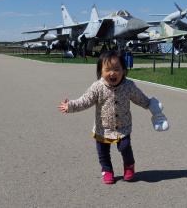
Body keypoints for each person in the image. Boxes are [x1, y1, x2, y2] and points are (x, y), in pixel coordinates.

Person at [58, 50, 168, 184]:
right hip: (102, 128)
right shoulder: (97, 87)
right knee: (103, 151)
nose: (112, 73)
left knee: (125, 147)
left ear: (123, 70)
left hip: (123, 126)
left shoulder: (128, 86)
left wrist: (151, 105)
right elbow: (85, 101)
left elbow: (140, 98)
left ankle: (129, 166)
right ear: (101, 71)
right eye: (108, 69)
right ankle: (107, 170)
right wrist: (71, 106)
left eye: (117, 69)